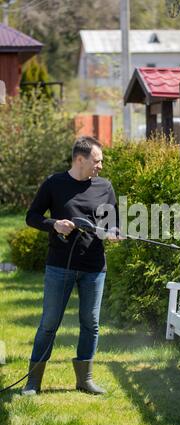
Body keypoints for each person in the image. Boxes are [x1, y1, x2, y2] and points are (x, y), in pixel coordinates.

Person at [22, 136, 119, 396]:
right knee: (49, 322)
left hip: (94, 267)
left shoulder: (105, 187)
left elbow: (112, 223)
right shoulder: (54, 184)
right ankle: (33, 383)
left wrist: (113, 232)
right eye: (97, 161)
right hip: (59, 266)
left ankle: (84, 380)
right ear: (80, 159)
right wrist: (54, 224)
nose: (100, 166)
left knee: (91, 322)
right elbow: (31, 217)